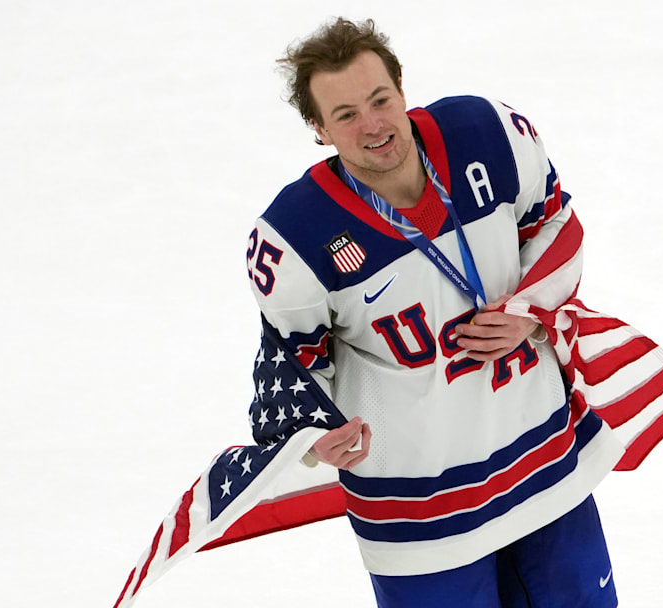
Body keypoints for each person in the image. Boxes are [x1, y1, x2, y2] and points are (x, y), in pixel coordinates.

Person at [246, 17, 626, 607]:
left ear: (402, 87)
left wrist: (528, 309)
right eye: (345, 115)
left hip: (544, 463)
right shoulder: (294, 238)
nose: (373, 125)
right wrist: (315, 438)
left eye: (381, 99)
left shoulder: (489, 136)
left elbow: (556, 222)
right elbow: (291, 368)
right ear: (319, 129)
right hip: (418, 514)